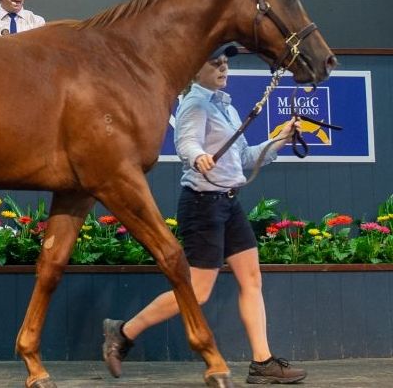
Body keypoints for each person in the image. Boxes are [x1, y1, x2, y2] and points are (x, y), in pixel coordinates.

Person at [102, 44, 306, 385]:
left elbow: (244, 158)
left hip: (229, 203)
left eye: (225, 62)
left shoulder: (226, 107)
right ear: (195, 71)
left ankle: (262, 362)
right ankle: (123, 332)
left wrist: (281, 139)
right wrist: (198, 157)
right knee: (197, 292)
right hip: (203, 205)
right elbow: (186, 143)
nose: (223, 68)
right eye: (215, 63)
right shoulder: (194, 104)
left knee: (251, 279)